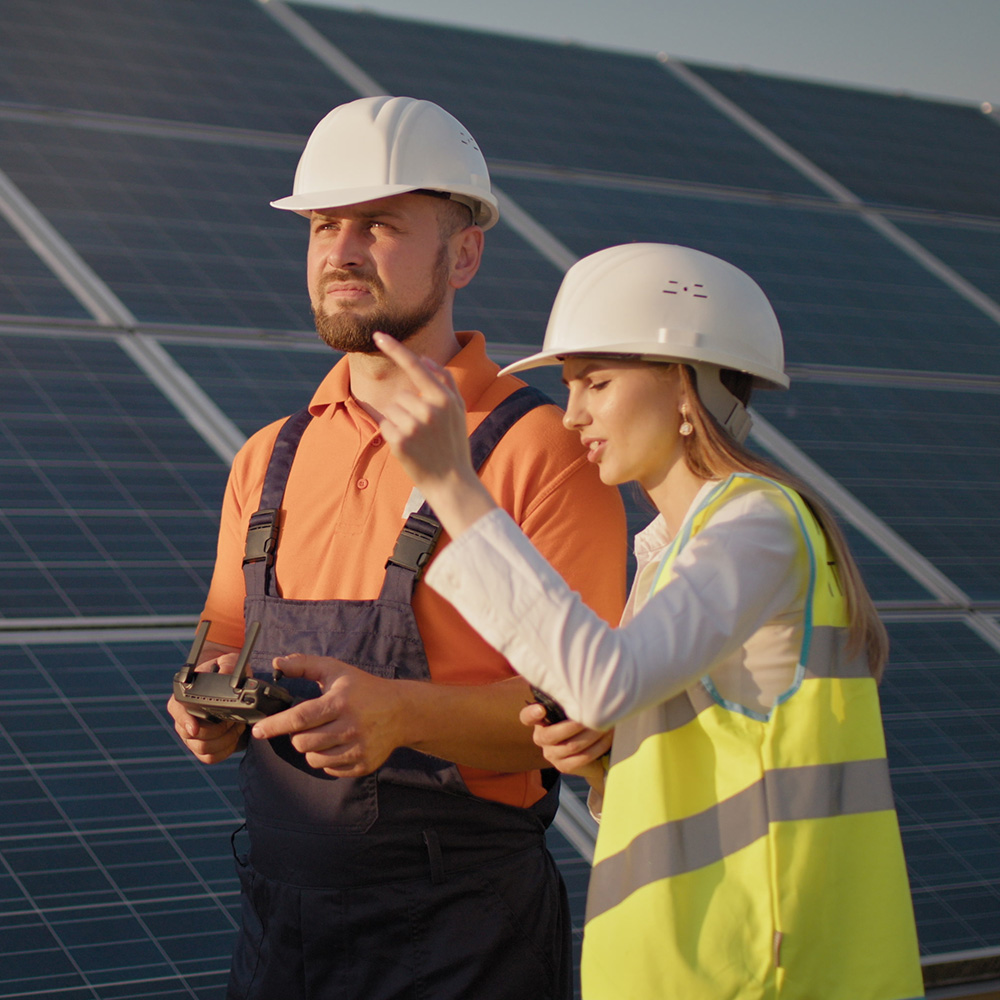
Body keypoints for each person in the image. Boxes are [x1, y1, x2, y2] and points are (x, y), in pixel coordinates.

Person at [370, 242, 925, 1000]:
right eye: (571, 388)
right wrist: (601, 759)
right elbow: (675, 767)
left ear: (684, 383)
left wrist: (452, 484)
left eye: (597, 382)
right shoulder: (670, 555)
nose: (573, 415)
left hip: (771, 977)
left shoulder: (757, 525)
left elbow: (603, 680)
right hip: (685, 970)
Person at [166, 95, 627, 1000]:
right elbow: (223, 631)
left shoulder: (546, 450)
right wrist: (205, 696)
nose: (341, 250)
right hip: (278, 931)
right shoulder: (268, 456)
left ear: (463, 253)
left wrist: (401, 715)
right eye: (324, 225)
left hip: (459, 932)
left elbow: (595, 708)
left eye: (378, 225)